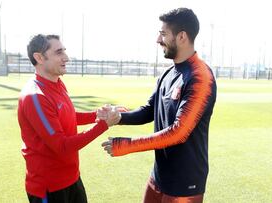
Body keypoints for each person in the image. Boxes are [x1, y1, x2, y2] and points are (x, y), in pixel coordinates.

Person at [101, 8, 217, 203]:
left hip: (185, 183)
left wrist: (126, 145)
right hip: (159, 175)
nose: (158, 39)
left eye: (163, 34)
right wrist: (119, 117)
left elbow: (179, 133)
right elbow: (149, 110)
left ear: (181, 37)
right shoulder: (168, 73)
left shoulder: (200, 77)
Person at [18, 34, 120, 203]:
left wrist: (97, 114)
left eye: (64, 51)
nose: (66, 58)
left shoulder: (57, 83)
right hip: (49, 188)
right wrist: (103, 125)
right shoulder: (35, 97)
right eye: (59, 52)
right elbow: (62, 146)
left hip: (72, 178)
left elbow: (68, 115)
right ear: (39, 57)